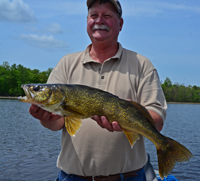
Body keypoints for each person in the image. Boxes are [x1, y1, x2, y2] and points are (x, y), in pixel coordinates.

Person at [29, 0, 167, 181]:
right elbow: (57, 123)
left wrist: (128, 119)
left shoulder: (142, 65)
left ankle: (166, 148)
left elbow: (157, 120)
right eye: (94, 15)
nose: (99, 20)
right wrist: (46, 119)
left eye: (107, 16)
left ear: (120, 24)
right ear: (87, 21)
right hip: (72, 177)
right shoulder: (67, 63)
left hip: (128, 177)